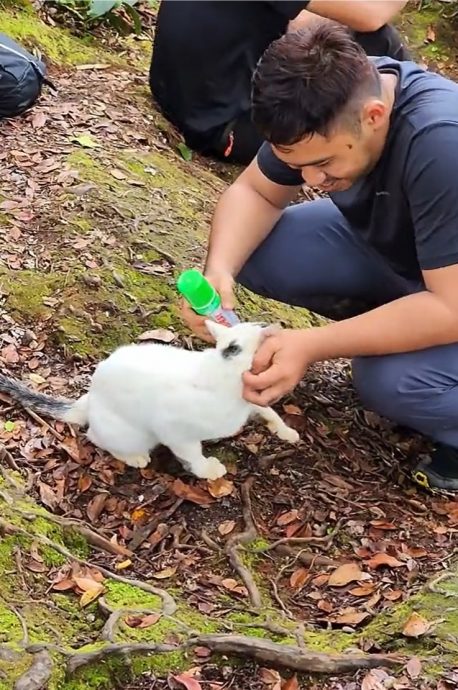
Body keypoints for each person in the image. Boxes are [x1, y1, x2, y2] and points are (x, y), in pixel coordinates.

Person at [182, 22, 458, 493]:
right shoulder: (318, 104)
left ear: (373, 116)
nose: (310, 179)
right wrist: (219, 271)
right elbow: (254, 191)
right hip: (425, 266)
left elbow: (451, 307)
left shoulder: (441, 143)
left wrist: (312, 344)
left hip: (449, 293)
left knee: (388, 381)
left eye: (325, 163)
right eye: (297, 164)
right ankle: (407, 334)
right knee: (260, 250)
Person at [150, 1, 409, 164]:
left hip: (175, 96)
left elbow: (295, 20)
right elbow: (370, 15)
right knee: (378, 38)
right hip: (230, 129)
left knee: (340, 32)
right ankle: (412, 136)